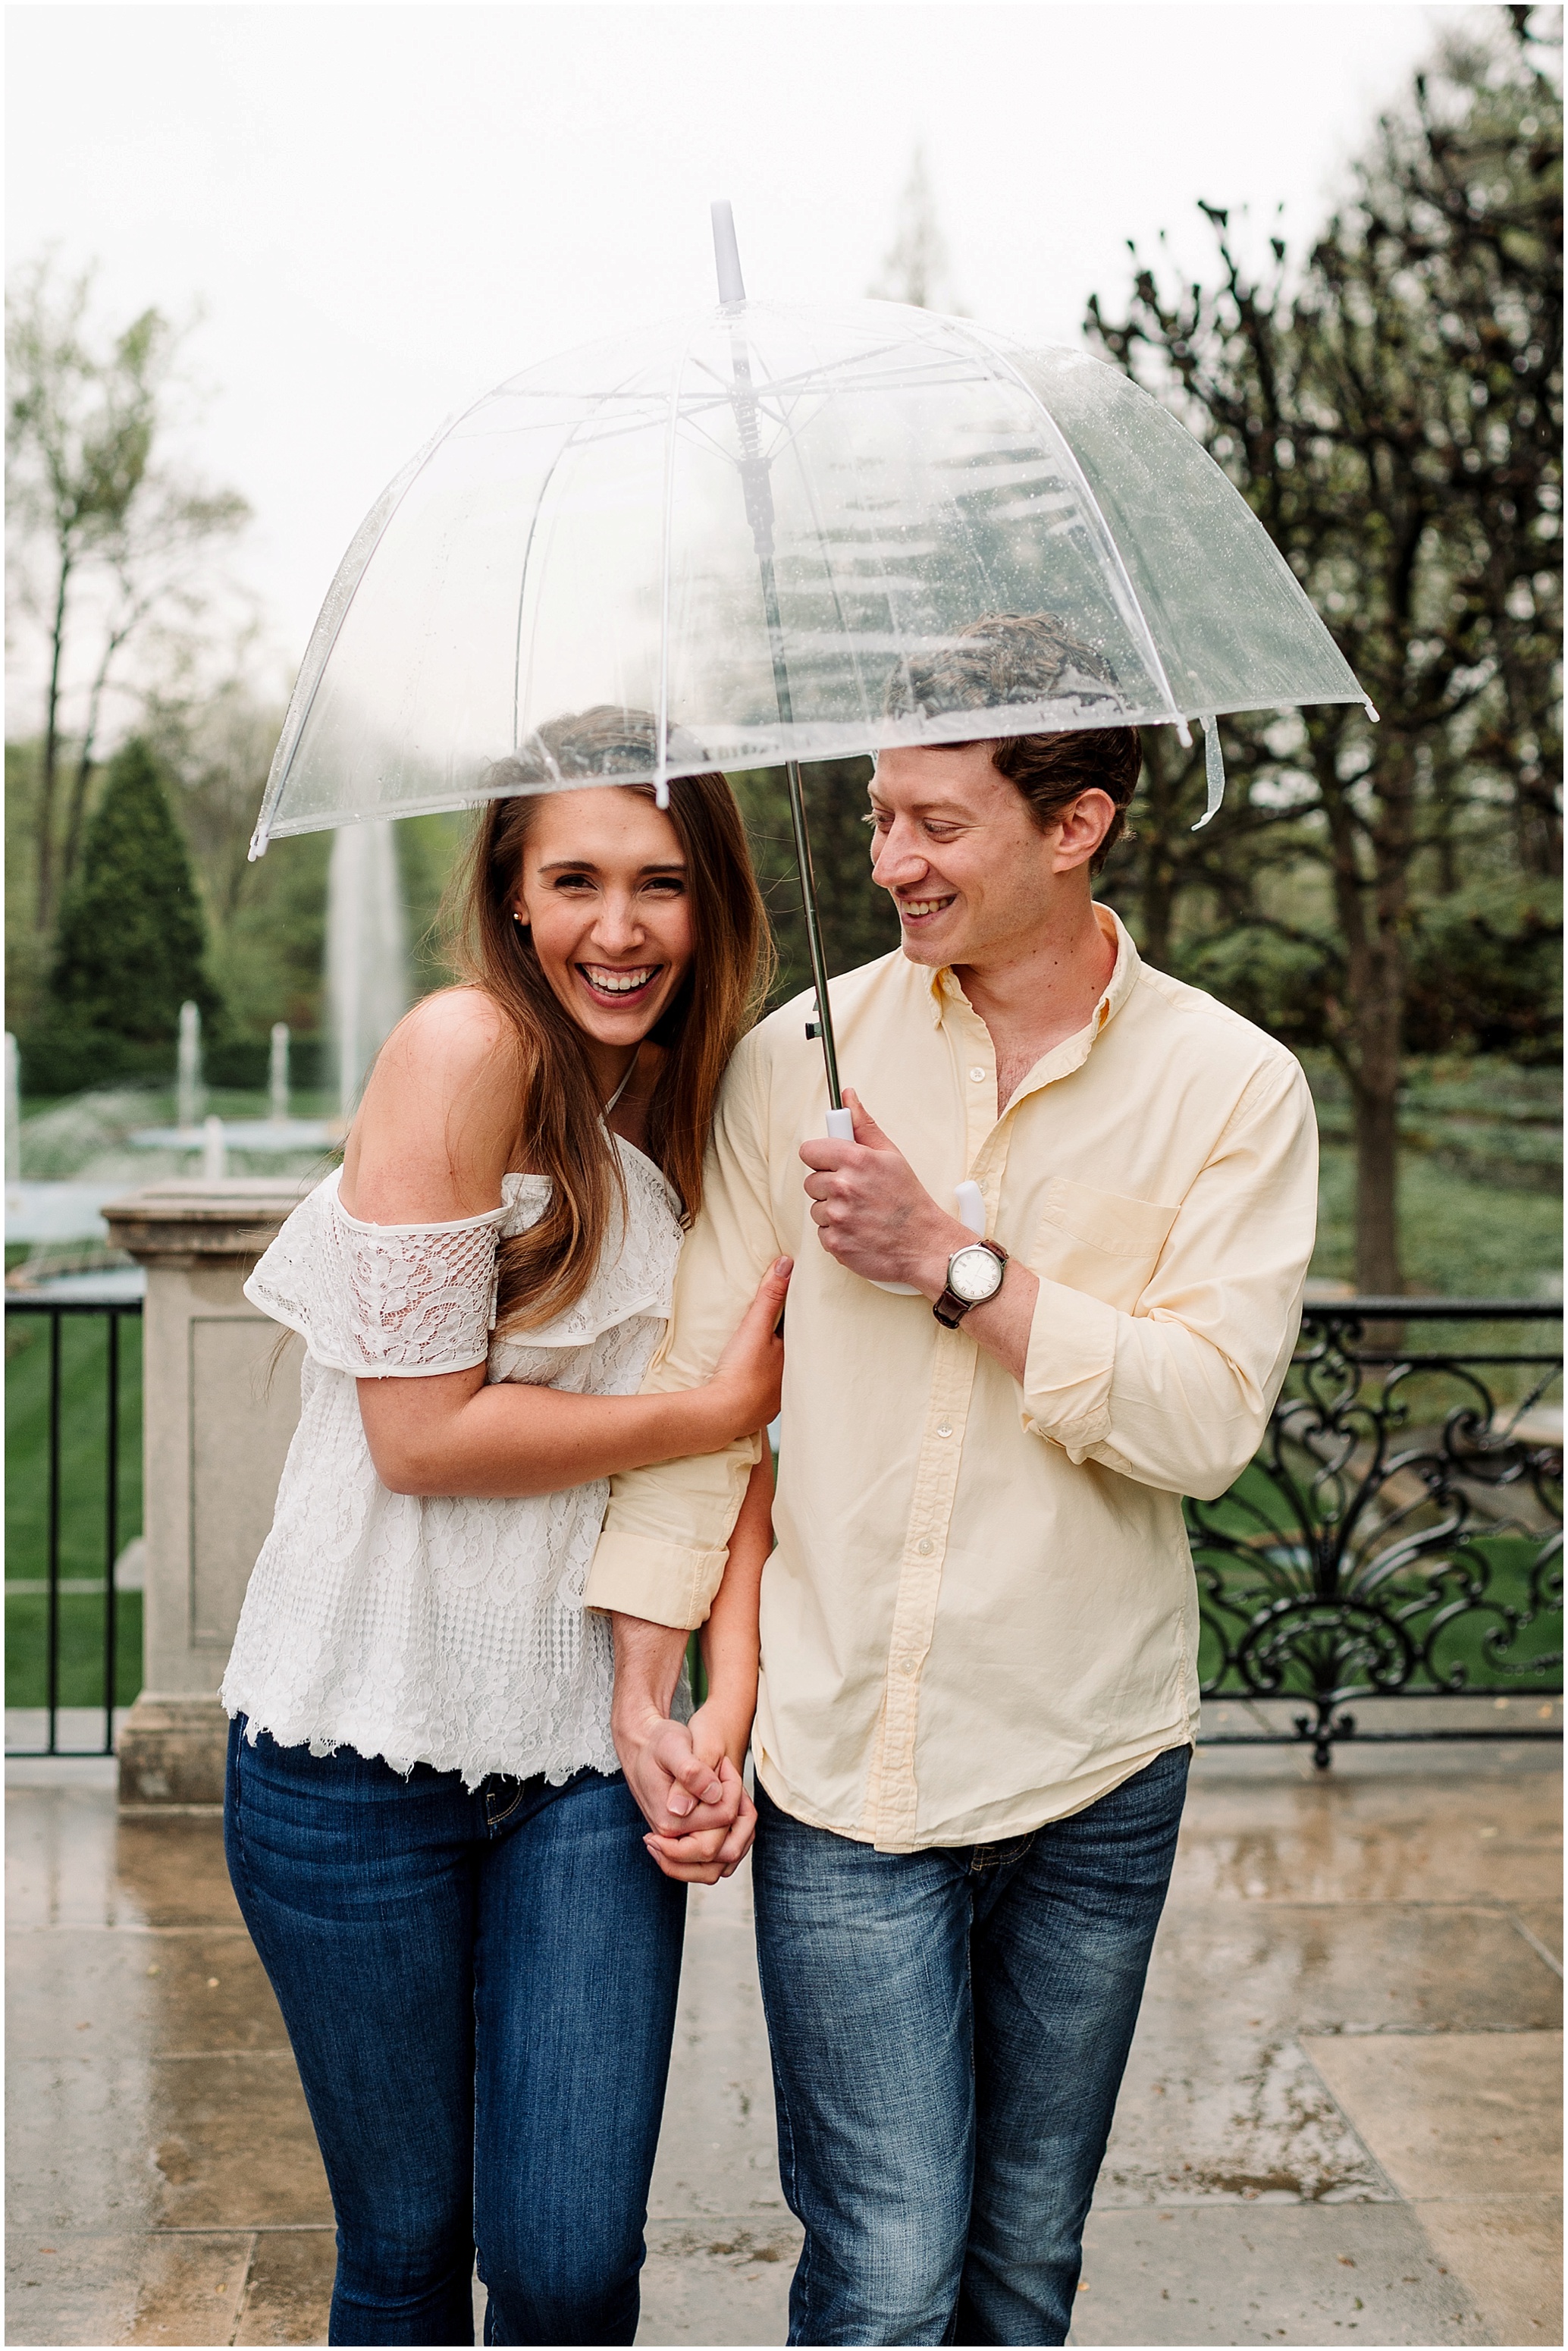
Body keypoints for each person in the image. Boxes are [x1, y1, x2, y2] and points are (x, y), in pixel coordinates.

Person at [587, 615, 1320, 2346]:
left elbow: (1206, 1422)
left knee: (1016, 2272)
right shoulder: (796, 1060)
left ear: (1073, 825)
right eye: (873, 816)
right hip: (847, 1773)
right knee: (886, 2272)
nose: (886, 860)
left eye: (935, 824)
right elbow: (706, 1407)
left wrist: (953, 1262)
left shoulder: (1231, 1088)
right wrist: (653, 1687)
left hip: (1089, 1761)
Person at [221, 708, 789, 2349]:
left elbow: (752, 1473)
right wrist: (705, 1407)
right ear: (512, 892)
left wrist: (705, 1711)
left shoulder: (714, 1101)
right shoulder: (464, 1049)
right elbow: (419, 1433)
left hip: (581, 1754)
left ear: (715, 900)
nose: (620, 928)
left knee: (563, 2266)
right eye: (577, 879)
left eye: (663, 883)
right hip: (352, 1749)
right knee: (405, 2249)